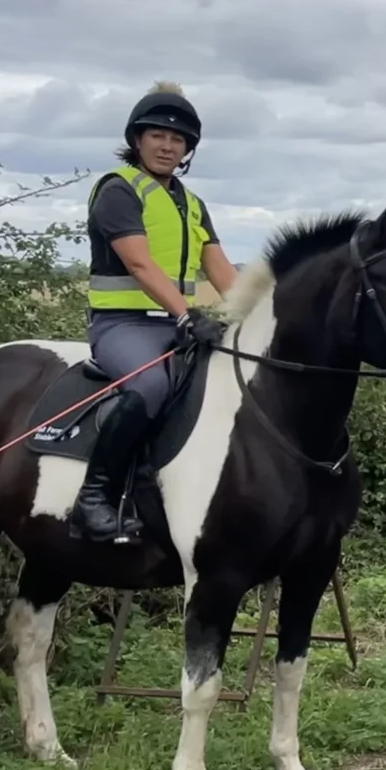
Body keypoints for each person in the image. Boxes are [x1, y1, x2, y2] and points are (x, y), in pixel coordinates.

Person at [74, 83, 238, 542]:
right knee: (150, 385)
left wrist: (265, 315)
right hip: (122, 325)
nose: (168, 146)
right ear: (137, 140)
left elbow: (223, 272)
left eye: (178, 139)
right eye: (157, 136)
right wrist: (187, 314)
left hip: (175, 324)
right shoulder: (118, 190)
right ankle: (93, 499)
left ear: (188, 149)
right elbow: (139, 263)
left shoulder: (192, 204)